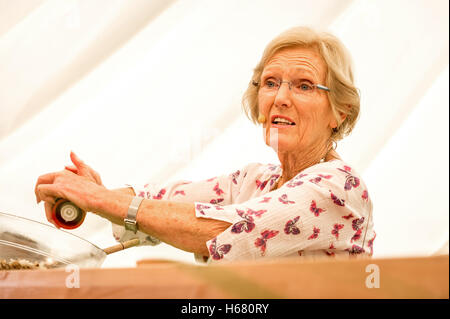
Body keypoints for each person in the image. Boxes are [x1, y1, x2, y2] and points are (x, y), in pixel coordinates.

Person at [35, 26, 375, 263]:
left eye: (304, 86)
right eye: (270, 83)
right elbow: (159, 202)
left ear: (339, 113)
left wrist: (99, 199)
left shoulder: (338, 187)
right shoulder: (256, 181)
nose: (280, 98)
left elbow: (227, 228)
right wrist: (96, 193)